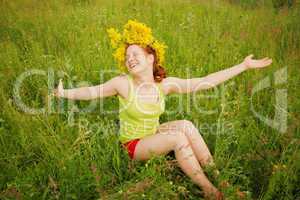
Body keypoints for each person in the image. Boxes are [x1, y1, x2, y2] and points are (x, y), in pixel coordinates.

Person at [53, 20, 272, 200]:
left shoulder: (164, 84)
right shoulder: (121, 83)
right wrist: (64, 94)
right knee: (177, 137)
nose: (130, 59)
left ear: (150, 58)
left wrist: (243, 66)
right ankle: (210, 191)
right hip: (134, 144)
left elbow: (205, 81)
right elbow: (92, 92)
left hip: (153, 133)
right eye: (127, 57)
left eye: (135, 54)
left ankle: (218, 177)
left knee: (186, 125)